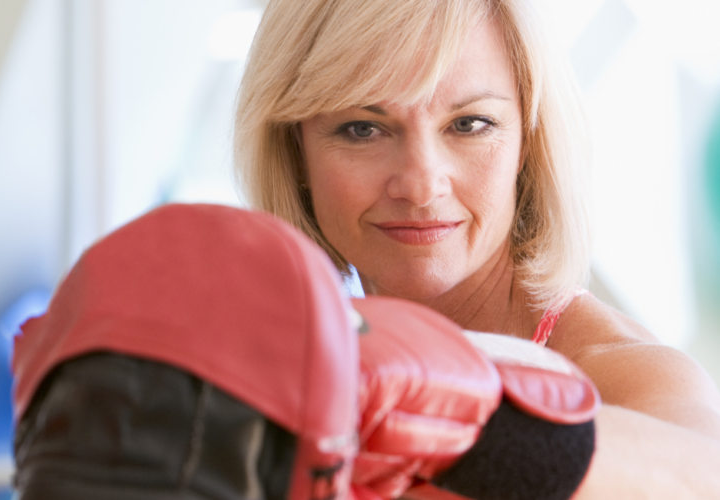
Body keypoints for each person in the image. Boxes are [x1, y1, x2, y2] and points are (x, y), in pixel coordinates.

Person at [234, 0, 720, 495]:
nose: (422, 185)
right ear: (296, 154)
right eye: (363, 128)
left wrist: (455, 415)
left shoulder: (623, 374)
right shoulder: (282, 381)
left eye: (469, 124)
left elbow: (705, 471)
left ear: (528, 140)